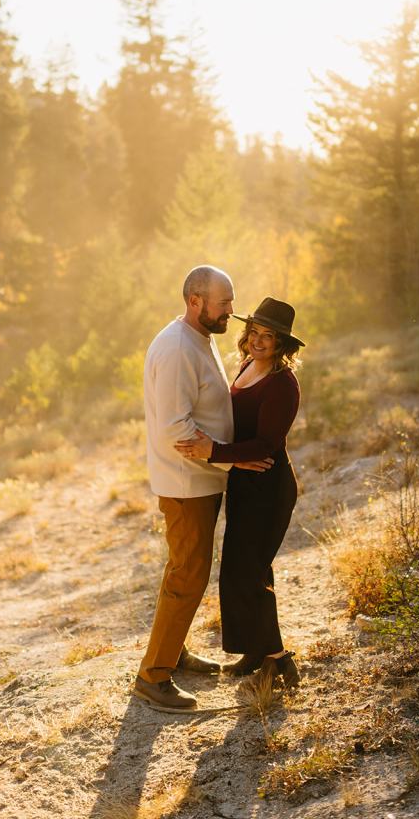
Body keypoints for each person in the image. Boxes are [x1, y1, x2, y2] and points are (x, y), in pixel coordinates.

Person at [133, 266, 273, 714]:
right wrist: (230, 456)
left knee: (184, 571)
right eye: (224, 303)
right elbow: (177, 430)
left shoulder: (199, 336)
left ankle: (172, 654)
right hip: (186, 483)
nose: (232, 312)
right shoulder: (177, 349)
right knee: (187, 577)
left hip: (201, 478)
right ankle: (153, 678)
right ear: (196, 300)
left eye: (231, 301)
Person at [175, 297, 304, 689]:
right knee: (242, 570)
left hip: (269, 485)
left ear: (282, 345)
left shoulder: (283, 384)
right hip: (244, 484)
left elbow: (266, 444)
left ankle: (280, 662)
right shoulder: (247, 366)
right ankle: (255, 651)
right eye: (255, 333)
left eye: (270, 336)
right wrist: (227, 458)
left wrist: (212, 452)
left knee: (247, 574)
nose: (259, 341)